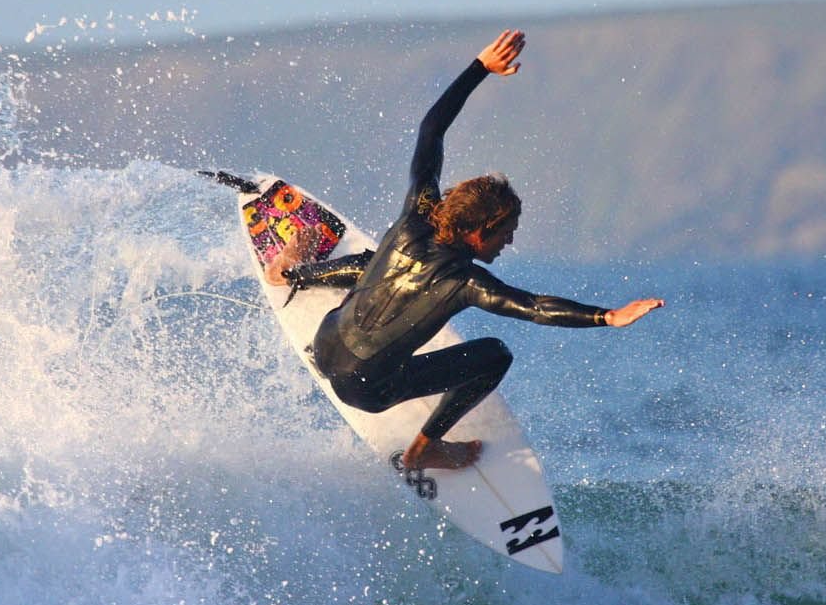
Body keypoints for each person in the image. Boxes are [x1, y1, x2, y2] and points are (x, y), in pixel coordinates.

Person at [268, 29, 664, 472]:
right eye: (505, 233)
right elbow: (533, 307)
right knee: (494, 354)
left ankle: (291, 273)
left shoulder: (417, 211)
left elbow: (431, 128)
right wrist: (606, 317)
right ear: (479, 231)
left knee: (374, 261)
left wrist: (479, 69)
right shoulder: (465, 282)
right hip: (365, 390)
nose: (510, 241)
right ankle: (424, 451)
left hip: (324, 343)